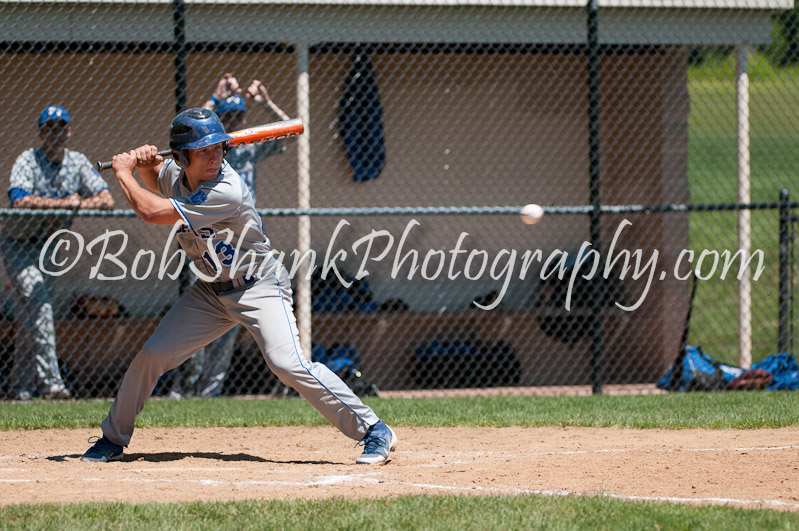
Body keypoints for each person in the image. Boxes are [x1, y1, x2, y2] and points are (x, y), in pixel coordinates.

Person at [81, 108, 396, 465]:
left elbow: (152, 212)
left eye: (218, 147)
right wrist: (144, 164)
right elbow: (160, 180)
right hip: (210, 293)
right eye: (203, 151)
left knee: (286, 363)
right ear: (182, 157)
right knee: (152, 355)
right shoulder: (180, 174)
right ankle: (112, 438)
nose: (214, 156)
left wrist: (123, 173)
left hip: (258, 285)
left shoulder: (226, 189)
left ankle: (374, 429)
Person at [169, 73, 290, 398]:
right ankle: (184, 388)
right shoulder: (203, 151)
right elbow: (184, 133)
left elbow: (288, 129)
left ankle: (208, 392)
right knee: (193, 315)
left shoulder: (249, 150)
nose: (235, 122)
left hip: (236, 241)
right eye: (229, 117)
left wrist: (265, 103)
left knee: (229, 322)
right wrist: (211, 98)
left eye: (239, 116)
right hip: (200, 232)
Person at [1, 105, 114, 400]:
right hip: (18, 242)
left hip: (50, 246)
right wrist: (65, 204)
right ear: (40, 132)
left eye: (60, 127)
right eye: (49, 127)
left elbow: (106, 199)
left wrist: (78, 204)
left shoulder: (77, 162)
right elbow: (19, 201)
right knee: (39, 303)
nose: (56, 133)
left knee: (34, 315)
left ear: (69, 131)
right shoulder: (28, 159)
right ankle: (52, 384)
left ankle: (19, 387)